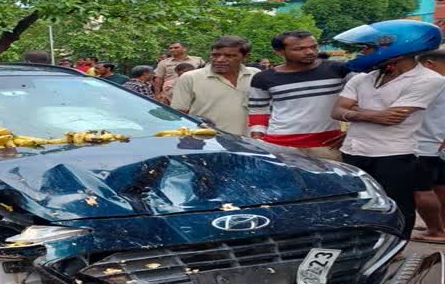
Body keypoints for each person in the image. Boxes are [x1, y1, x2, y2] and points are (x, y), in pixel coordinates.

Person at [331, 19, 445, 238]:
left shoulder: (429, 79)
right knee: (358, 203)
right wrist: (371, 115)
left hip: (394, 153)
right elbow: (336, 112)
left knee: (398, 205)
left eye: (369, 47)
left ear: (398, 47)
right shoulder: (363, 78)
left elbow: (392, 119)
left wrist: (354, 113)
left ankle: (395, 247)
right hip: (354, 150)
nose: (363, 52)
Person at [248, 30, 351, 160]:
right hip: (279, 145)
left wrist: (352, 132)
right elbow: (258, 109)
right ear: (280, 52)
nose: (310, 52)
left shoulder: (339, 69)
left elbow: (367, 97)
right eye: (299, 48)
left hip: (328, 145)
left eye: (313, 47)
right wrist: (257, 138)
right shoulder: (263, 78)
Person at [172, 36, 258, 135]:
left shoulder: (255, 75)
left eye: (229, 56)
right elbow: (179, 114)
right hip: (208, 142)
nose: (220, 60)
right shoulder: (190, 78)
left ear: (246, 57)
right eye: (215, 55)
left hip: (250, 142)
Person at [412, 49, 445, 243]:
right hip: (436, 144)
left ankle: (436, 231)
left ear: (429, 64)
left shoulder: (432, 84)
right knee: (439, 187)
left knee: (420, 190)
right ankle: (439, 225)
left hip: (422, 144)